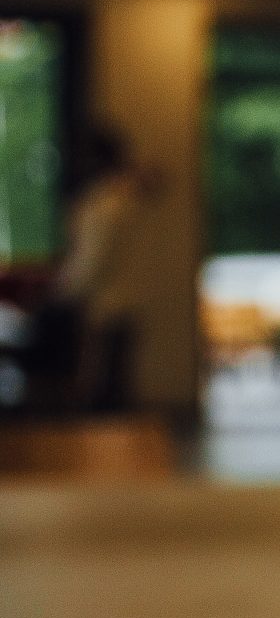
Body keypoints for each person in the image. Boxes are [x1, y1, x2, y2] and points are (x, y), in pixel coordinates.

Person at [48, 131, 153, 411]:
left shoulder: (104, 205)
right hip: (125, 304)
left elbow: (91, 263)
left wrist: (58, 295)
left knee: (100, 396)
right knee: (117, 391)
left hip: (106, 309)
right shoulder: (125, 200)